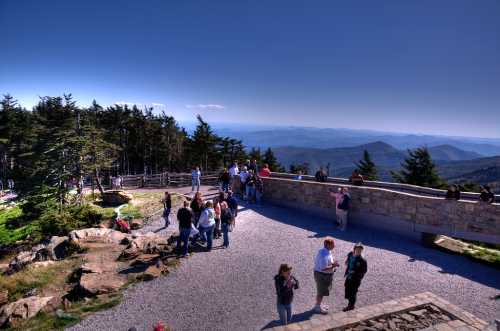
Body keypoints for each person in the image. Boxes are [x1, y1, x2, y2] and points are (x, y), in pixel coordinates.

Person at [313, 237, 339, 314]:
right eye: (333, 244)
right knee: (321, 292)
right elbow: (323, 268)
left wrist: (333, 262)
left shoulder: (327, 251)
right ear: (327, 245)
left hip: (323, 275)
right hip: (322, 275)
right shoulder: (323, 254)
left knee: (322, 291)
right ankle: (317, 307)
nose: (334, 246)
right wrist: (334, 266)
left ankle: (319, 304)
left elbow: (329, 261)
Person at [343, 242, 368, 311]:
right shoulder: (350, 254)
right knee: (347, 289)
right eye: (357, 249)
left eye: (360, 250)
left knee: (353, 292)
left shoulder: (362, 260)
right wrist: (347, 262)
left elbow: (364, 271)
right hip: (348, 277)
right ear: (354, 249)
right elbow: (348, 261)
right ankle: (350, 303)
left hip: (355, 279)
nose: (359, 251)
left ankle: (351, 306)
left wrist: (355, 273)